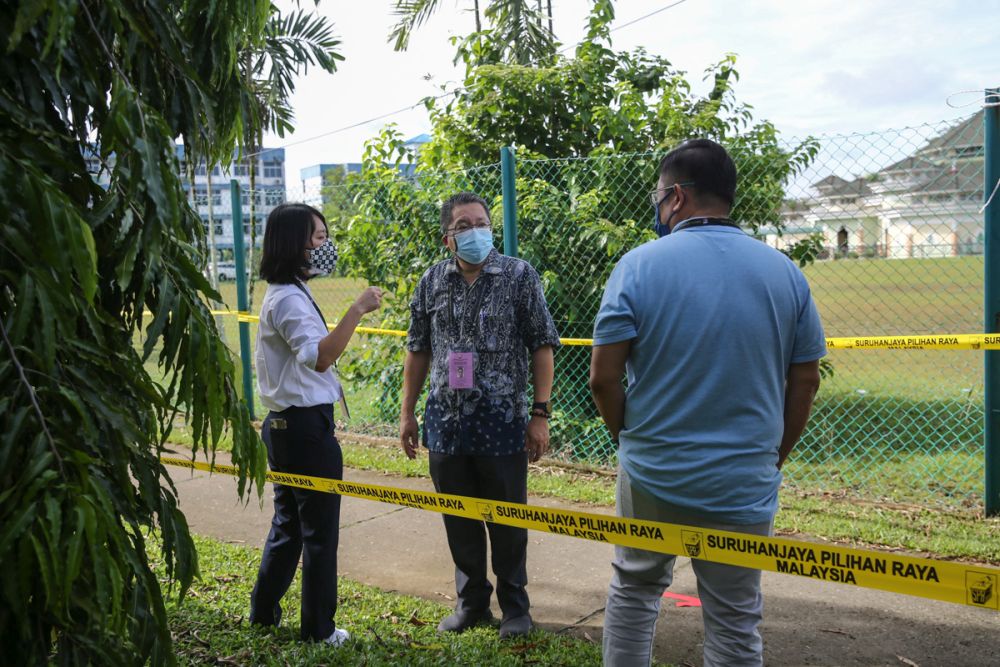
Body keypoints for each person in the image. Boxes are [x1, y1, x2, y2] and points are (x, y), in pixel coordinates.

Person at [589, 139, 826, 666]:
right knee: (736, 616)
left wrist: (628, 439)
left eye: (658, 196)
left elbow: (603, 379)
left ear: (675, 197)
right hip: (743, 481)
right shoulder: (784, 272)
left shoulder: (636, 267)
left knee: (634, 590)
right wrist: (772, 453)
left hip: (652, 471)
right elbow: (805, 380)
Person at [399, 192, 560, 638]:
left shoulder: (518, 276)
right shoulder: (431, 282)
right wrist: (408, 414)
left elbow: (542, 346)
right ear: (448, 238)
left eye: (482, 222)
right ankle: (471, 604)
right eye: (464, 225)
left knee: (507, 518)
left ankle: (516, 609)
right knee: (459, 517)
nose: (476, 231)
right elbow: (418, 351)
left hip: (502, 421)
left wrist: (540, 414)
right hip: (446, 424)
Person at [249, 203, 383, 645]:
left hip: (286, 426)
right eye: (319, 237)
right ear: (296, 243)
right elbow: (321, 357)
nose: (326, 246)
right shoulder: (288, 299)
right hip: (305, 430)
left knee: (288, 525)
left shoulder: (286, 292)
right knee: (319, 533)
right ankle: (319, 630)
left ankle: (263, 613)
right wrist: (357, 309)